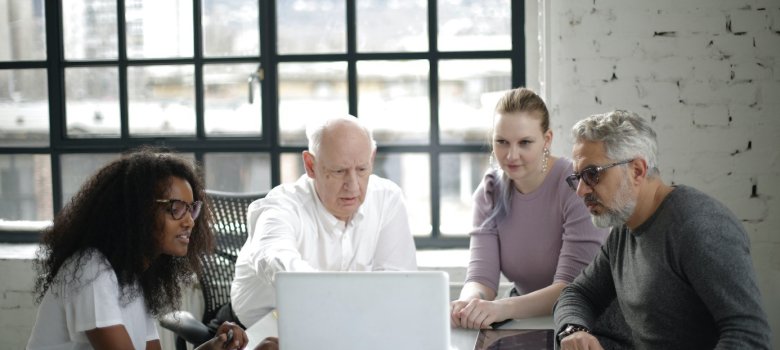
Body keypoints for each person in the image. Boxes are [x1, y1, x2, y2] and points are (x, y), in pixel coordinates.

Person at [554, 110, 771, 349]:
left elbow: (749, 335)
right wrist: (573, 329)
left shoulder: (698, 227)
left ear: (637, 170)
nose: (581, 191)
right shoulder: (624, 229)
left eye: (592, 174)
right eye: (578, 177)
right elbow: (579, 294)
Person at [27, 147, 248, 350]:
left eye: (191, 209)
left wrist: (214, 346)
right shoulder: (91, 270)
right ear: (137, 211)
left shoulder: (134, 277)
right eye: (176, 208)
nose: (190, 221)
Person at [230, 114, 418, 327]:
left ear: (372, 159)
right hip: (260, 333)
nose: (353, 186)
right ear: (310, 165)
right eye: (339, 171)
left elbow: (397, 283)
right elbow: (275, 259)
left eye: (362, 169)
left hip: (342, 328)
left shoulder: (387, 198)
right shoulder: (281, 206)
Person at [450, 87, 609, 329]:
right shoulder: (490, 191)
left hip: (581, 323)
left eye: (525, 142)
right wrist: (468, 302)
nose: (512, 155)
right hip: (524, 321)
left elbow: (570, 288)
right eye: (502, 142)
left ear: (547, 140)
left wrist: (501, 308)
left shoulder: (576, 187)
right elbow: (482, 278)